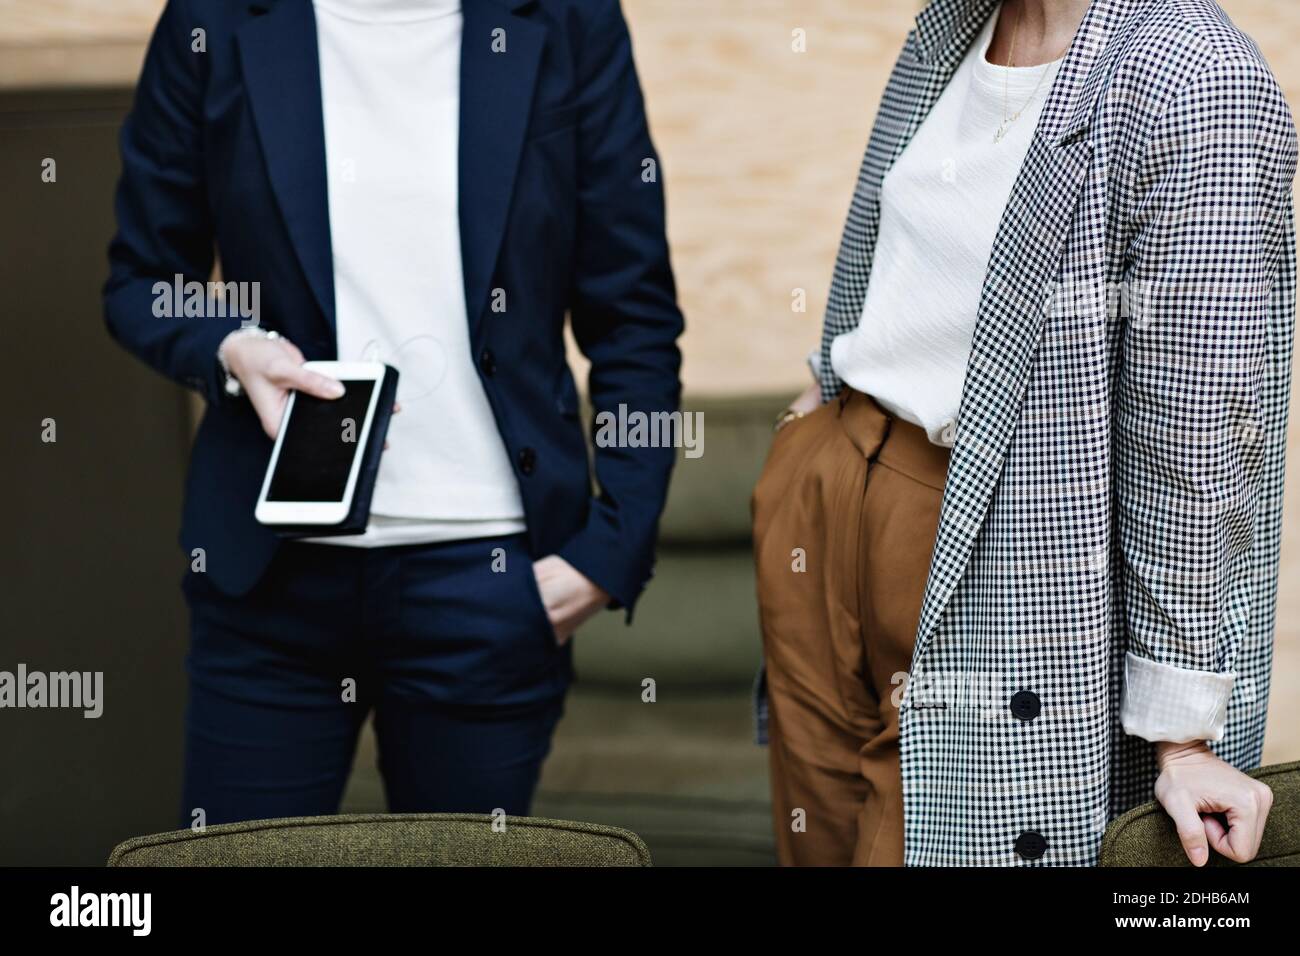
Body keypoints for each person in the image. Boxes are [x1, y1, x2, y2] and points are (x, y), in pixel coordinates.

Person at [104, 0, 682, 826]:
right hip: (270, 582)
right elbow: (140, 280)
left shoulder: (567, 17)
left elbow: (635, 317)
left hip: (489, 583)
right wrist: (230, 347)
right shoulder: (216, 18)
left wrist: (612, 547)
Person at [753, 0, 1296, 866]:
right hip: (831, 490)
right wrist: (820, 405)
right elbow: (895, 250)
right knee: (816, 837)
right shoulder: (951, 23)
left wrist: (1182, 733)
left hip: (989, 544)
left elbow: (1197, 429)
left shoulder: (1198, 78)